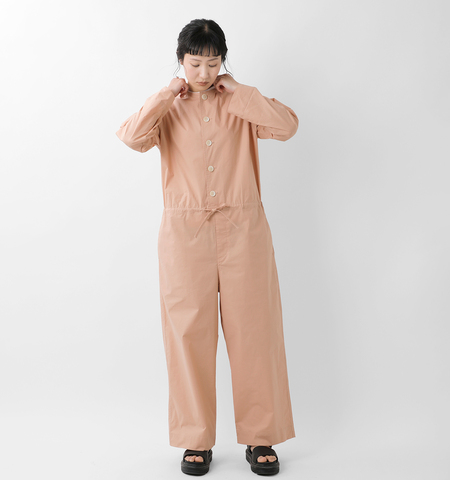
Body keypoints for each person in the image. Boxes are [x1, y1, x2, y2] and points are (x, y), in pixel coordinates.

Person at [116, 18, 298, 476]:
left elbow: (287, 126)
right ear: (181, 61)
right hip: (185, 234)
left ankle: (260, 437)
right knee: (188, 335)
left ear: (223, 62)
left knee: (254, 332)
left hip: (244, 229)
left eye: (213, 63)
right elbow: (132, 137)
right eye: (195, 63)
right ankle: (195, 440)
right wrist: (165, 94)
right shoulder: (168, 108)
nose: (203, 73)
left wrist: (241, 91)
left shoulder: (239, 103)